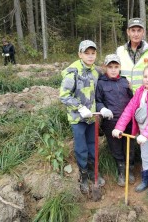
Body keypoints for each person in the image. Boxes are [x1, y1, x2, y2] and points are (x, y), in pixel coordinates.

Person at [112, 65, 148, 196]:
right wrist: (119, 127)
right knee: (145, 157)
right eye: (145, 76)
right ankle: (145, 181)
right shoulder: (139, 92)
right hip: (143, 134)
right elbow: (129, 109)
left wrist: (145, 135)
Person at [59, 40, 105, 194]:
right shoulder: (73, 72)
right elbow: (64, 96)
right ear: (80, 54)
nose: (90, 56)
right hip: (77, 118)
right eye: (87, 53)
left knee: (92, 144)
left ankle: (93, 171)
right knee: (81, 147)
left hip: (92, 117)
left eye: (93, 53)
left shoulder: (95, 71)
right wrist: (79, 108)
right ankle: (83, 175)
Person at [95, 54, 135, 187]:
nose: (113, 70)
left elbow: (132, 100)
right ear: (105, 68)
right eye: (110, 67)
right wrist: (102, 109)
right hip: (111, 122)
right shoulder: (101, 83)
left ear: (120, 68)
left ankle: (129, 169)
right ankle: (121, 171)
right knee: (116, 147)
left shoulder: (124, 82)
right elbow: (98, 101)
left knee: (129, 146)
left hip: (128, 121)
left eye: (116, 67)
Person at [116, 18, 148, 93]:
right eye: (133, 30)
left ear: (143, 32)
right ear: (128, 32)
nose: (136, 34)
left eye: (139, 30)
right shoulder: (119, 51)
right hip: (124, 96)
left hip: (145, 97)